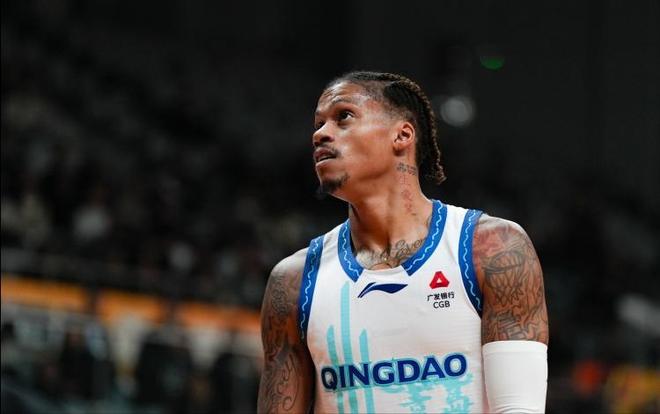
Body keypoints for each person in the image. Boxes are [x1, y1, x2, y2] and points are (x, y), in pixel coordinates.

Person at [257, 71, 549, 413]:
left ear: (402, 135)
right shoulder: (294, 281)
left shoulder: (490, 248)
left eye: (343, 116)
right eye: (318, 124)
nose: (320, 133)